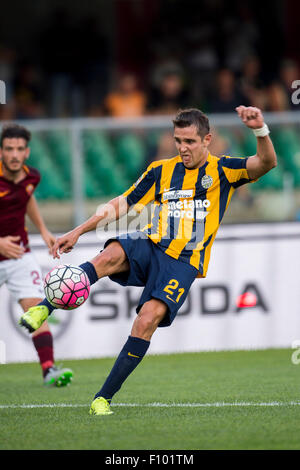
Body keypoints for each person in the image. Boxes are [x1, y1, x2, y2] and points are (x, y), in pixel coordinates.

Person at [20, 106, 277, 414]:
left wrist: (260, 130)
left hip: (184, 261)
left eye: (190, 142)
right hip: (151, 242)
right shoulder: (161, 170)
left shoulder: (223, 170)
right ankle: (42, 308)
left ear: (207, 140)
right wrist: (78, 231)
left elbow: (266, 163)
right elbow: (123, 203)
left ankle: (103, 398)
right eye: (178, 140)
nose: (182, 148)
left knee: (146, 321)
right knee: (109, 254)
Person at [0, 124, 73, 386]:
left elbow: (27, 198)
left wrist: (43, 230)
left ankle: (49, 370)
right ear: (1, 151)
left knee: (36, 310)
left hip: (19, 255)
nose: (14, 155)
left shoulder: (32, 177)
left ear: (27, 151)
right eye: (9, 149)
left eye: (19, 149)